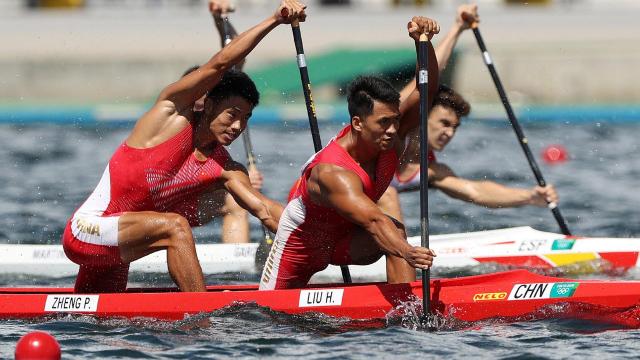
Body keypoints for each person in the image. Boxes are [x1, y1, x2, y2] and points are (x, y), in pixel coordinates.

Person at [62, 0, 307, 293]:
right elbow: (221, 64)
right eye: (232, 115)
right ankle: (201, 319)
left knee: (96, 323)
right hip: (86, 231)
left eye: (246, 119)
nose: (238, 127)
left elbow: (265, 211)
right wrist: (274, 19)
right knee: (175, 226)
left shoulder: (226, 167)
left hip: (116, 249)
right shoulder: (170, 116)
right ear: (208, 102)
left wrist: (325, 235)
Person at [259, 17, 440, 290]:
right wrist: (409, 253)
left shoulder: (389, 134)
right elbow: (374, 220)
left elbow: (426, 90)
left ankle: (407, 307)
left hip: (345, 241)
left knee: (396, 231)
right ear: (357, 123)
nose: (393, 130)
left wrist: (423, 45)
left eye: (395, 121)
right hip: (300, 245)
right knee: (268, 316)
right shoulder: (334, 171)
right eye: (383, 123)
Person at [377, 3, 558, 224]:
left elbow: (475, 191)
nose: (449, 132)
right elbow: (424, 81)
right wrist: (456, 28)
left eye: (454, 127)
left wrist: (529, 197)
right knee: (387, 193)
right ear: (422, 115)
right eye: (444, 122)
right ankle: (401, 254)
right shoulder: (393, 127)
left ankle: (400, 252)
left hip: (365, 228)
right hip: (332, 199)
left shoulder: (430, 170)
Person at [207, 0, 265, 244]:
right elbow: (223, 61)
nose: (237, 126)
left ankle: (234, 269)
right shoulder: (188, 108)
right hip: (165, 196)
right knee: (237, 187)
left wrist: (222, 22)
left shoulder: (219, 96)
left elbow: (234, 57)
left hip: (196, 192)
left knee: (236, 200)